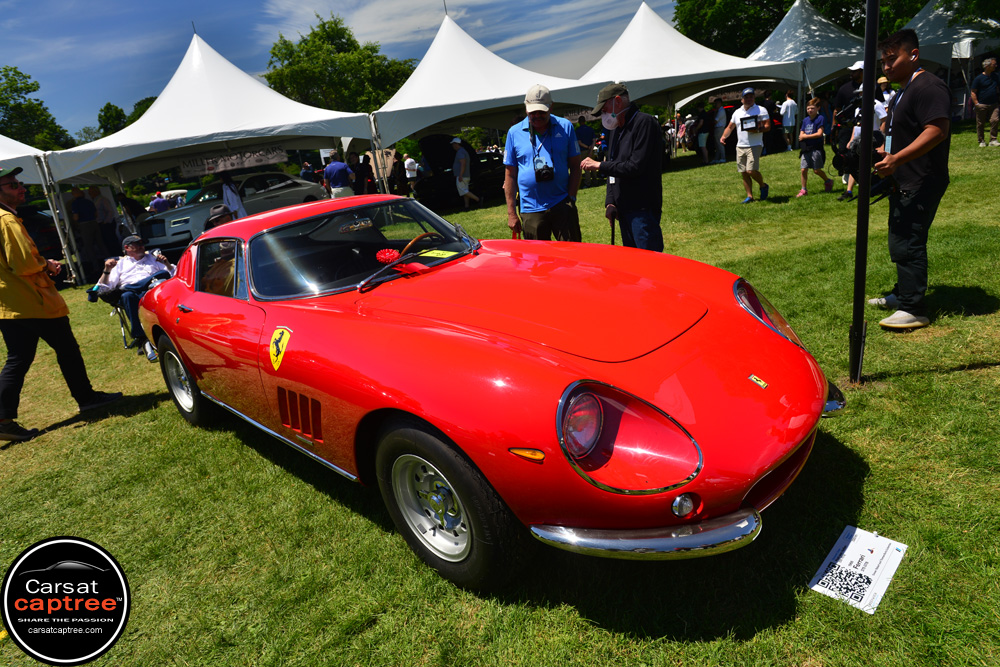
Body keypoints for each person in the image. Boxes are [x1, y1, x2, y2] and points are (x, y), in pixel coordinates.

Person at [0, 166, 122, 441]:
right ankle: (86, 398)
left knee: (19, 359)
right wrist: (48, 264)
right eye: (11, 185)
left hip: (11, 303)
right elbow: (23, 263)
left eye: (18, 182)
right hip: (32, 300)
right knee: (65, 349)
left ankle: (4, 418)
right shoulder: (6, 220)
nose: (21, 187)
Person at [869, 29, 951, 330]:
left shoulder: (928, 87)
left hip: (922, 177)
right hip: (902, 177)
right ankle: (903, 292)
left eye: (892, 59)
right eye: (883, 61)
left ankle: (913, 308)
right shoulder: (904, 90)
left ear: (913, 55)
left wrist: (897, 159)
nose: (886, 66)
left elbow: (936, 130)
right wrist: (883, 151)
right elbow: (902, 134)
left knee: (909, 240)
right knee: (900, 236)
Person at [581, 82, 664, 252]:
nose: (604, 115)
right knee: (633, 263)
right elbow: (613, 167)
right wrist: (610, 201)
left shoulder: (644, 123)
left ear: (617, 101)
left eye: (604, 110)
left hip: (642, 208)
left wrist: (599, 165)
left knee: (650, 263)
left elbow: (635, 166)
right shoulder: (616, 130)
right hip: (623, 208)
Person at [502, 84, 582, 241]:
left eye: (541, 111)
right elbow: (510, 174)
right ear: (526, 109)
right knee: (538, 262)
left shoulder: (565, 126)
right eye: (533, 112)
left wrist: (571, 198)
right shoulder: (514, 133)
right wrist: (512, 214)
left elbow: (575, 166)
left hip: (562, 203)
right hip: (531, 209)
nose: (537, 115)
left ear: (551, 107)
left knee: (573, 256)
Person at [97, 235, 176, 360]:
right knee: (127, 295)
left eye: (142, 244)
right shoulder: (120, 264)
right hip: (134, 296)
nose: (141, 247)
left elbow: (175, 275)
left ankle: (171, 328)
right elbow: (103, 289)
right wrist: (106, 270)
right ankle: (142, 338)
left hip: (154, 290)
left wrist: (167, 263)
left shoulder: (154, 259)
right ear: (127, 248)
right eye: (137, 244)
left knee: (162, 274)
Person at [720, 87, 771, 204]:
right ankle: (750, 196)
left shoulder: (761, 110)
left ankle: (763, 186)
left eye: (751, 96)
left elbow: (768, 127)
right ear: (742, 99)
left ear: (754, 97)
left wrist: (757, 130)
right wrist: (723, 136)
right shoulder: (737, 112)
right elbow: (730, 127)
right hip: (740, 146)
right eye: (746, 97)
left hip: (755, 144)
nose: (749, 99)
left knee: (750, 170)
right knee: (743, 172)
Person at [833, 61, 865, 181]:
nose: (852, 73)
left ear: (862, 72)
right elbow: (837, 109)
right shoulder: (844, 89)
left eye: (855, 71)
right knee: (843, 149)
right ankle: (846, 171)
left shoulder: (873, 86)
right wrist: (835, 126)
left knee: (861, 150)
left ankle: (860, 173)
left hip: (864, 125)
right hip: (846, 125)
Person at [797, 98, 834, 197]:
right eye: (808, 108)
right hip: (806, 148)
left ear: (818, 108)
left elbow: (819, 133)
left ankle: (828, 181)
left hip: (816, 148)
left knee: (816, 170)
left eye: (812, 108)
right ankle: (803, 189)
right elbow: (801, 133)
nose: (810, 110)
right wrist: (803, 136)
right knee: (803, 169)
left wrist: (805, 136)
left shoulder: (820, 118)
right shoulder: (805, 120)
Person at [970, 56, 999, 148]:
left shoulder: (996, 76)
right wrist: (977, 104)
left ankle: (993, 139)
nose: (996, 66)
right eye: (994, 64)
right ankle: (981, 140)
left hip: (994, 103)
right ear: (987, 66)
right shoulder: (978, 79)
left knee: (995, 120)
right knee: (980, 123)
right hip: (982, 104)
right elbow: (973, 92)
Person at [451, 137, 481, 209]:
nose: (452, 146)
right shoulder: (463, 151)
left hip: (462, 175)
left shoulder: (460, 152)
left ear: (456, 144)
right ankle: (466, 206)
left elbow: (463, 163)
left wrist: (460, 174)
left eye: (453, 144)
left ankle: (478, 199)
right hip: (466, 174)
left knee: (462, 190)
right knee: (465, 190)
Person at [89, 186, 118, 257]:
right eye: (89, 192)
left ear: (97, 191)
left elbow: (110, 211)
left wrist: (105, 222)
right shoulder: (95, 200)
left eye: (91, 192)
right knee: (107, 243)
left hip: (107, 224)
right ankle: (113, 256)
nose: (90, 193)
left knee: (111, 241)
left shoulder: (102, 199)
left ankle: (117, 256)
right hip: (101, 224)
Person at [575, 117, 596, 186]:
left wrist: (587, 147)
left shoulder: (578, 131)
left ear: (579, 122)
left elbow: (579, 142)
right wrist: (591, 148)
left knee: (586, 167)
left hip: (583, 151)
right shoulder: (590, 129)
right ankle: (595, 181)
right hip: (591, 150)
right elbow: (594, 140)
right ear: (585, 121)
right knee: (593, 166)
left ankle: (588, 183)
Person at [711, 98, 728, 163]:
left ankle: (723, 158)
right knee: (717, 144)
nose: (716, 105)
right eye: (715, 103)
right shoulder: (719, 110)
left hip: (719, 128)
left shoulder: (721, 111)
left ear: (720, 103)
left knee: (720, 143)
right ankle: (717, 158)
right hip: (718, 128)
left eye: (717, 103)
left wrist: (715, 113)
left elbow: (715, 121)